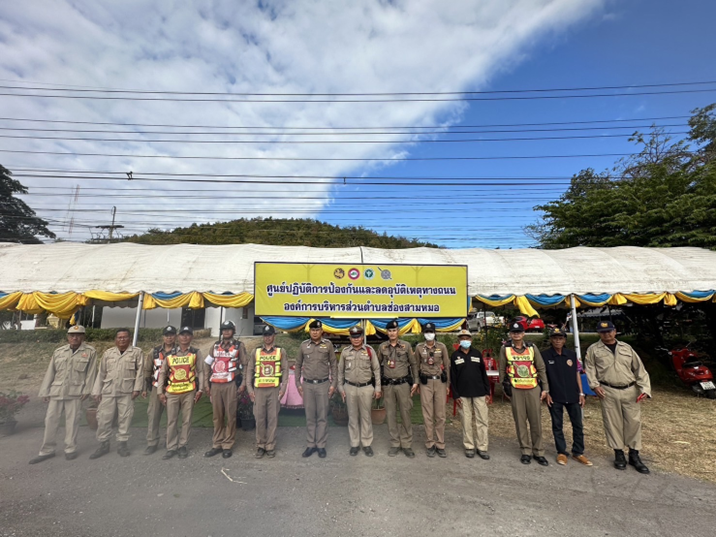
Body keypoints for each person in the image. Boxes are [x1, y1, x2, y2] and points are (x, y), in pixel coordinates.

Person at [584, 320, 652, 474]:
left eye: (609, 331)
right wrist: (594, 386)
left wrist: (645, 388)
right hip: (608, 390)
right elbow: (590, 369)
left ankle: (634, 455)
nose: (606, 334)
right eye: (603, 332)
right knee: (612, 422)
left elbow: (639, 369)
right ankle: (619, 453)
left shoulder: (626, 348)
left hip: (630, 390)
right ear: (598, 333)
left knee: (633, 422)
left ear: (615, 331)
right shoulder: (593, 350)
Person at [30, 325, 98, 464]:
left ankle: (70, 448)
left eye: (78, 335)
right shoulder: (59, 352)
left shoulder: (90, 352)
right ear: (68, 337)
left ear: (83, 337)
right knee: (50, 421)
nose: (75, 338)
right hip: (57, 391)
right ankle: (47, 450)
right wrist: (45, 390)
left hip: (75, 392)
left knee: (72, 421)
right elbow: (51, 372)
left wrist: (87, 390)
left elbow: (91, 373)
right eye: (72, 335)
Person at [499, 321, 550, 466]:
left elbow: (541, 367)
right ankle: (525, 451)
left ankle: (539, 452)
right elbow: (502, 369)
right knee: (520, 422)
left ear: (523, 334)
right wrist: (504, 387)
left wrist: (545, 388)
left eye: (519, 332)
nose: (516, 335)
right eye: (514, 332)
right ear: (510, 334)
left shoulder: (532, 347)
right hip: (516, 389)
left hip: (533, 388)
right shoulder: (505, 348)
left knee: (536, 421)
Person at [89, 328, 145, 459]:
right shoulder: (108, 353)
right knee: (103, 418)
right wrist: (97, 391)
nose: (122, 339)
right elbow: (101, 373)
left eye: (125, 337)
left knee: (125, 418)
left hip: (127, 391)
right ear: (115, 339)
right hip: (108, 390)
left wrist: (137, 389)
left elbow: (140, 372)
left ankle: (122, 444)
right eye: (119, 337)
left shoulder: (136, 352)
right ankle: (104, 444)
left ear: (129, 338)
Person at [542, 327, 592, 466]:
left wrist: (581, 393)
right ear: (551, 340)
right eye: (555, 338)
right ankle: (561, 452)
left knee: (578, 425)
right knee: (557, 425)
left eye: (560, 338)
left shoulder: (571, 355)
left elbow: (577, 373)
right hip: (555, 395)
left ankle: (578, 452)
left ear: (564, 340)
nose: (557, 341)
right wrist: (547, 392)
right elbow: (542, 375)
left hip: (573, 395)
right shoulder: (544, 355)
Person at [157, 326, 205, 460]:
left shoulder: (196, 352)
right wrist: (160, 392)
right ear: (178, 337)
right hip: (172, 392)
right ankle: (171, 447)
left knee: (186, 420)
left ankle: (183, 445)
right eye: (182, 335)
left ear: (192, 337)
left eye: (188, 334)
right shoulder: (170, 353)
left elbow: (201, 371)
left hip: (189, 391)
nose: (185, 337)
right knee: (171, 420)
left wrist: (201, 389)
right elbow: (163, 373)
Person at [204, 320, 247, 459]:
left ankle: (227, 444)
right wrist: (206, 383)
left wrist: (243, 383)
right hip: (216, 384)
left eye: (229, 329)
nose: (226, 331)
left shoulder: (239, 346)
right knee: (217, 416)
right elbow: (207, 364)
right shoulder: (215, 346)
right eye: (224, 329)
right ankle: (217, 443)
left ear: (233, 331)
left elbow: (245, 365)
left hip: (230, 384)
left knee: (230, 415)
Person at [295, 319, 338, 458]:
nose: (315, 332)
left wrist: (333, 384)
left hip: (323, 385)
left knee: (322, 416)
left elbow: (334, 364)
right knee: (310, 416)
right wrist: (298, 383)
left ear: (321, 331)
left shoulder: (328, 345)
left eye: (317, 330)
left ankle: (321, 445)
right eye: (312, 330)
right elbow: (298, 364)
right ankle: (310, 444)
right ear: (310, 331)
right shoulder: (304, 345)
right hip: (307, 385)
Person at [377, 319, 418, 458]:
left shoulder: (406, 346)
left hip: (403, 384)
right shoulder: (382, 347)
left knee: (405, 413)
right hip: (388, 385)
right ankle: (394, 443)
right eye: (389, 331)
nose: (392, 333)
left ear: (398, 331)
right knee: (390, 414)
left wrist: (416, 381)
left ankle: (406, 444)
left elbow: (413, 364)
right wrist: (379, 385)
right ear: (387, 332)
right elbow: (377, 366)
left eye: (394, 330)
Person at [338, 325, 381, 457]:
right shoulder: (345, 352)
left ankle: (366, 444)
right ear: (350, 338)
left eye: (358, 337)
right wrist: (340, 387)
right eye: (353, 337)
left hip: (366, 388)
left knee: (366, 416)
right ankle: (354, 444)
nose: (356, 339)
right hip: (350, 387)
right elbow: (340, 371)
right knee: (352, 417)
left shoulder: (369, 351)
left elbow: (376, 370)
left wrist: (378, 388)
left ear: (362, 337)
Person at [246, 325, 288, 459]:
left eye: (270, 335)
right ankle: (260, 445)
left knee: (272, 418)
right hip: (259, 390)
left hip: (274, 390)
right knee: (259, 418)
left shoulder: (281, 351)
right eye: (265, 335)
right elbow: (249, 370)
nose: (267, 337)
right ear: (263, 337)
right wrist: (249, 389)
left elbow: (285, 370)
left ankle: (270, 445)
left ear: (274, 336)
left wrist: (283, 388)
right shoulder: (256, 351)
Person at [450, 328, 490, 460]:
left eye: (467, 338)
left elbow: (483, 373)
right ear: (459, 341)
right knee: (466, 421)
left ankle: (482, 447)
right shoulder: (455, 355)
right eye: (462, 339)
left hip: (479, 392)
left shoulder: (477, 353)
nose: (465, 340)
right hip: (463, 393)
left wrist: (487, 391)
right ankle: (469, 446)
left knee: (482, 420)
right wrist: (455, 395)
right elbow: (453, 377)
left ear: (471, 340)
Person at [415, 322, 451, 458]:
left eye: (431, 331)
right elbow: (416, 366)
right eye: (426, 332)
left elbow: (447, 365)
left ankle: (440, 443)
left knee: (440, 415)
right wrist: (417, 383)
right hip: (426, 383)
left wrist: (447, 384)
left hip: (440, 382)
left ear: (435, 333)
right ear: (423, 333)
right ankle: (430, 443)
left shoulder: (442, 347)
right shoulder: (419, 348)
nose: (429, 334)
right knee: (427, 414)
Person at [142, 325, 177, 455]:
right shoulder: (155, 351)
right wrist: (145, 387)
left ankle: (170, 441)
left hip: (174, 388)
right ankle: (152, 442)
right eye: (167, 335)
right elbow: (147, 370)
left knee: (172, 416)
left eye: (171, 335)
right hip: (157, 387)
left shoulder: (179, 351)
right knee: (153, 415)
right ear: (163, 337)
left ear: (175, 337)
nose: (169, 338)